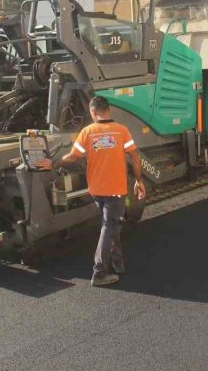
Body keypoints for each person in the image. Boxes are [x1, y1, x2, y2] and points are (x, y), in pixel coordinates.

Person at [38, 96, 146, 286]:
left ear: (92, 112)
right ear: (108, 110)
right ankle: (99, 273)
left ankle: (117, 263)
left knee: (111, 224)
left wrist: (52, 164)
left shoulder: (87, 132)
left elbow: (72, 157)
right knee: (110, 225)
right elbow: (135, 157)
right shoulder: (122, 131)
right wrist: (138, 181)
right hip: (116, 189)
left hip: (96, 189)